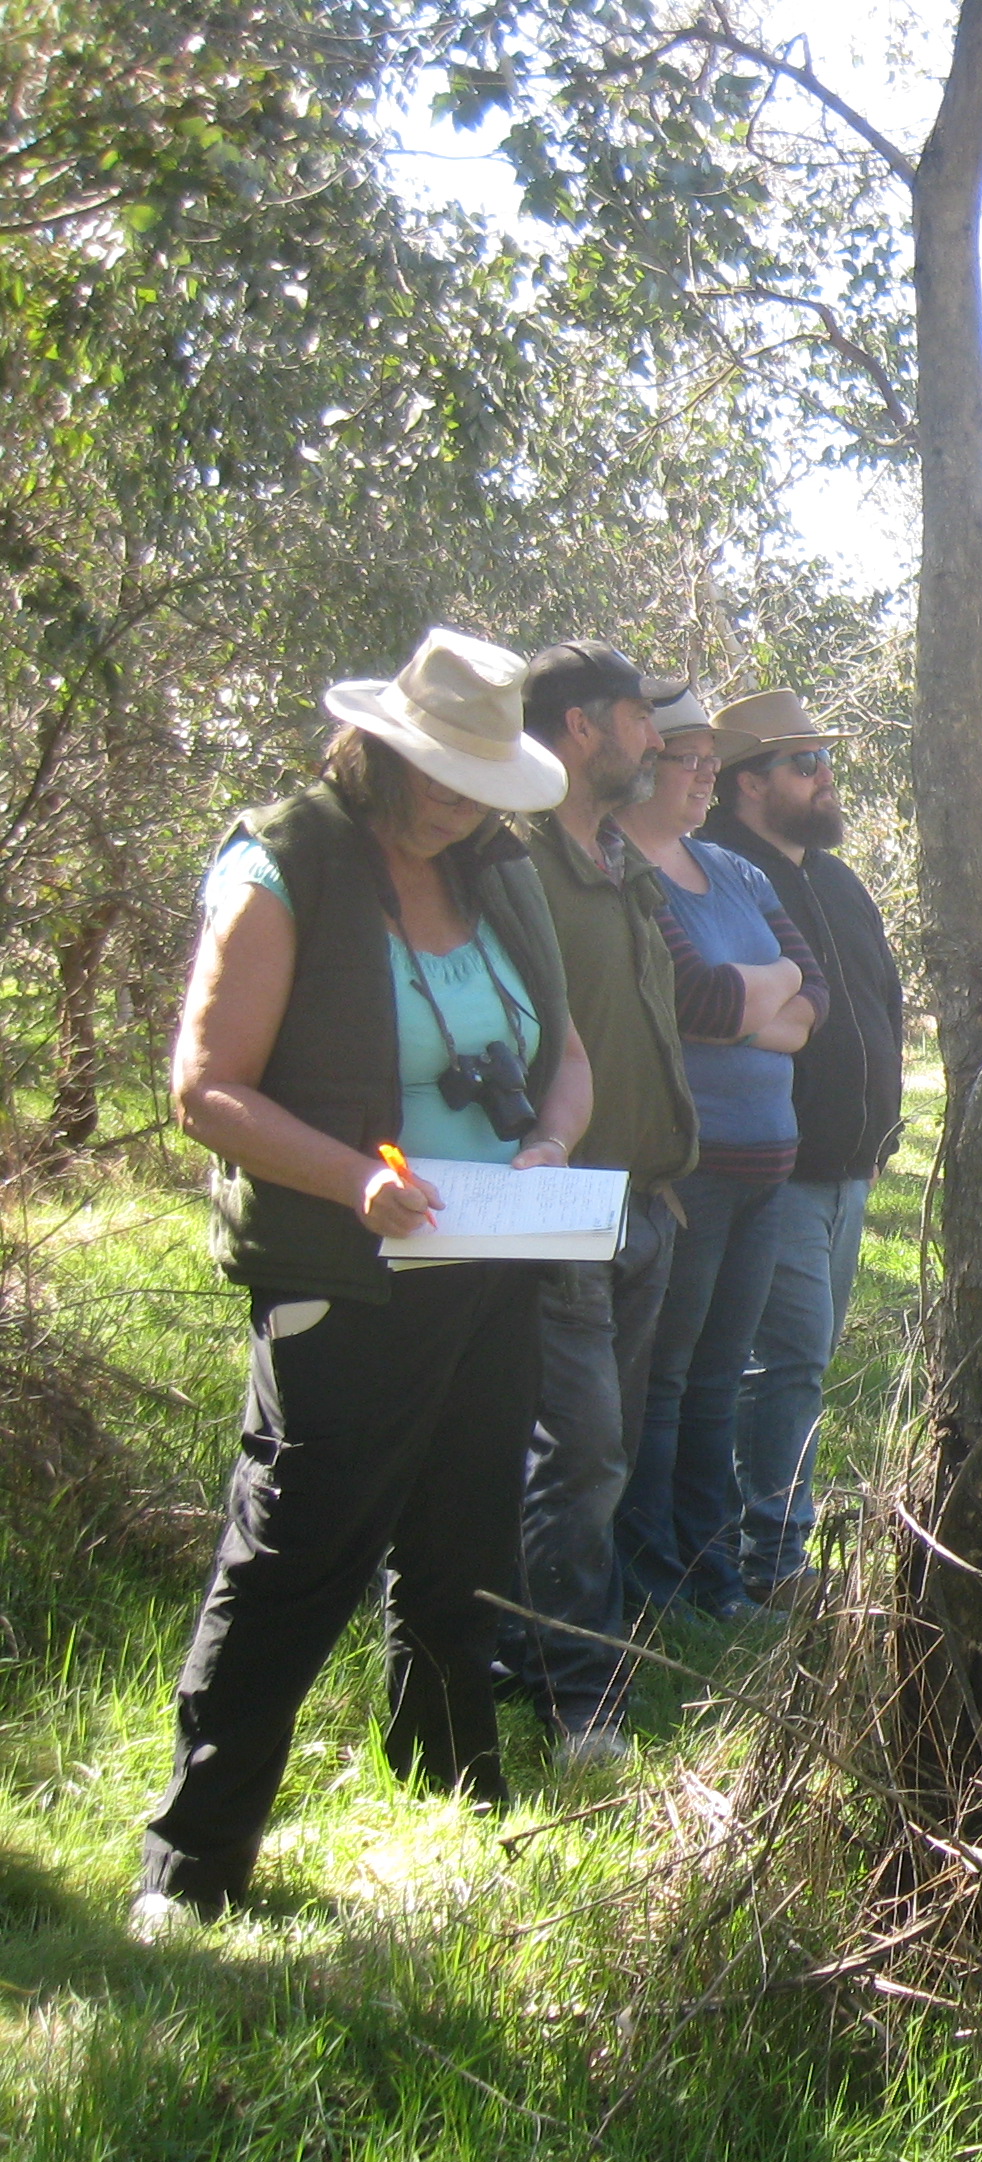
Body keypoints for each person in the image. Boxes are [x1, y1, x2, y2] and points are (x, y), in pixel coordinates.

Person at [136, 629, 592, 1932]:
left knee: (463, 1548)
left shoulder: (500, 873)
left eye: (480, 778)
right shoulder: (285, 863)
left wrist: (553, 1137)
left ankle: (450, 1789)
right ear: (379, 742)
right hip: (350, 1265)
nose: (457, 800)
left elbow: (563, 1052)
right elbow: (204, 1088)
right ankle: (194, 1862)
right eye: (439, 771)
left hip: (490, 1261)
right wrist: (352, 1179)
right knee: (294, 1557)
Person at [502, 645, 701, 1760]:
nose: (654, 742)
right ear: (582, 727)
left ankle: (540, 1656)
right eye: (639, 718)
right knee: (575, 1455)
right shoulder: (515, 861)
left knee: (606, 1452)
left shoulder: (622, 859)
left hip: (644, 1204)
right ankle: (580, 1700)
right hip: (556, 1202)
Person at [616, 701, 828, 1622]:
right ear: (639, 765)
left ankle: (715, 1579)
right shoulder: (623, 875)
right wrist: (757, 1002)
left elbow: (812, 992)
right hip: (687, 1170)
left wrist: (759, 1002)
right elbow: (695, 998)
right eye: (687, 759)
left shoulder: (736, 870)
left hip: (767, 1170)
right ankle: (655, 1579)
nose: (704, 774)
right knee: (663, 1383)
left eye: (711, 760)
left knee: (717, 1380)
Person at [700, 689, 909, 1606]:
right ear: (749, 783)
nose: (827, 778)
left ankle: (769, 1548)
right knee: (779, 1363)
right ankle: (770, 1560)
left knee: (804, 1361)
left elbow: (882, 1005)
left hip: (849, 1171)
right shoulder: (724, 876)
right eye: (804, 763)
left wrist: (878, 1134)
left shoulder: (836, 879)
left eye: (825, 758)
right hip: (772, 1167)